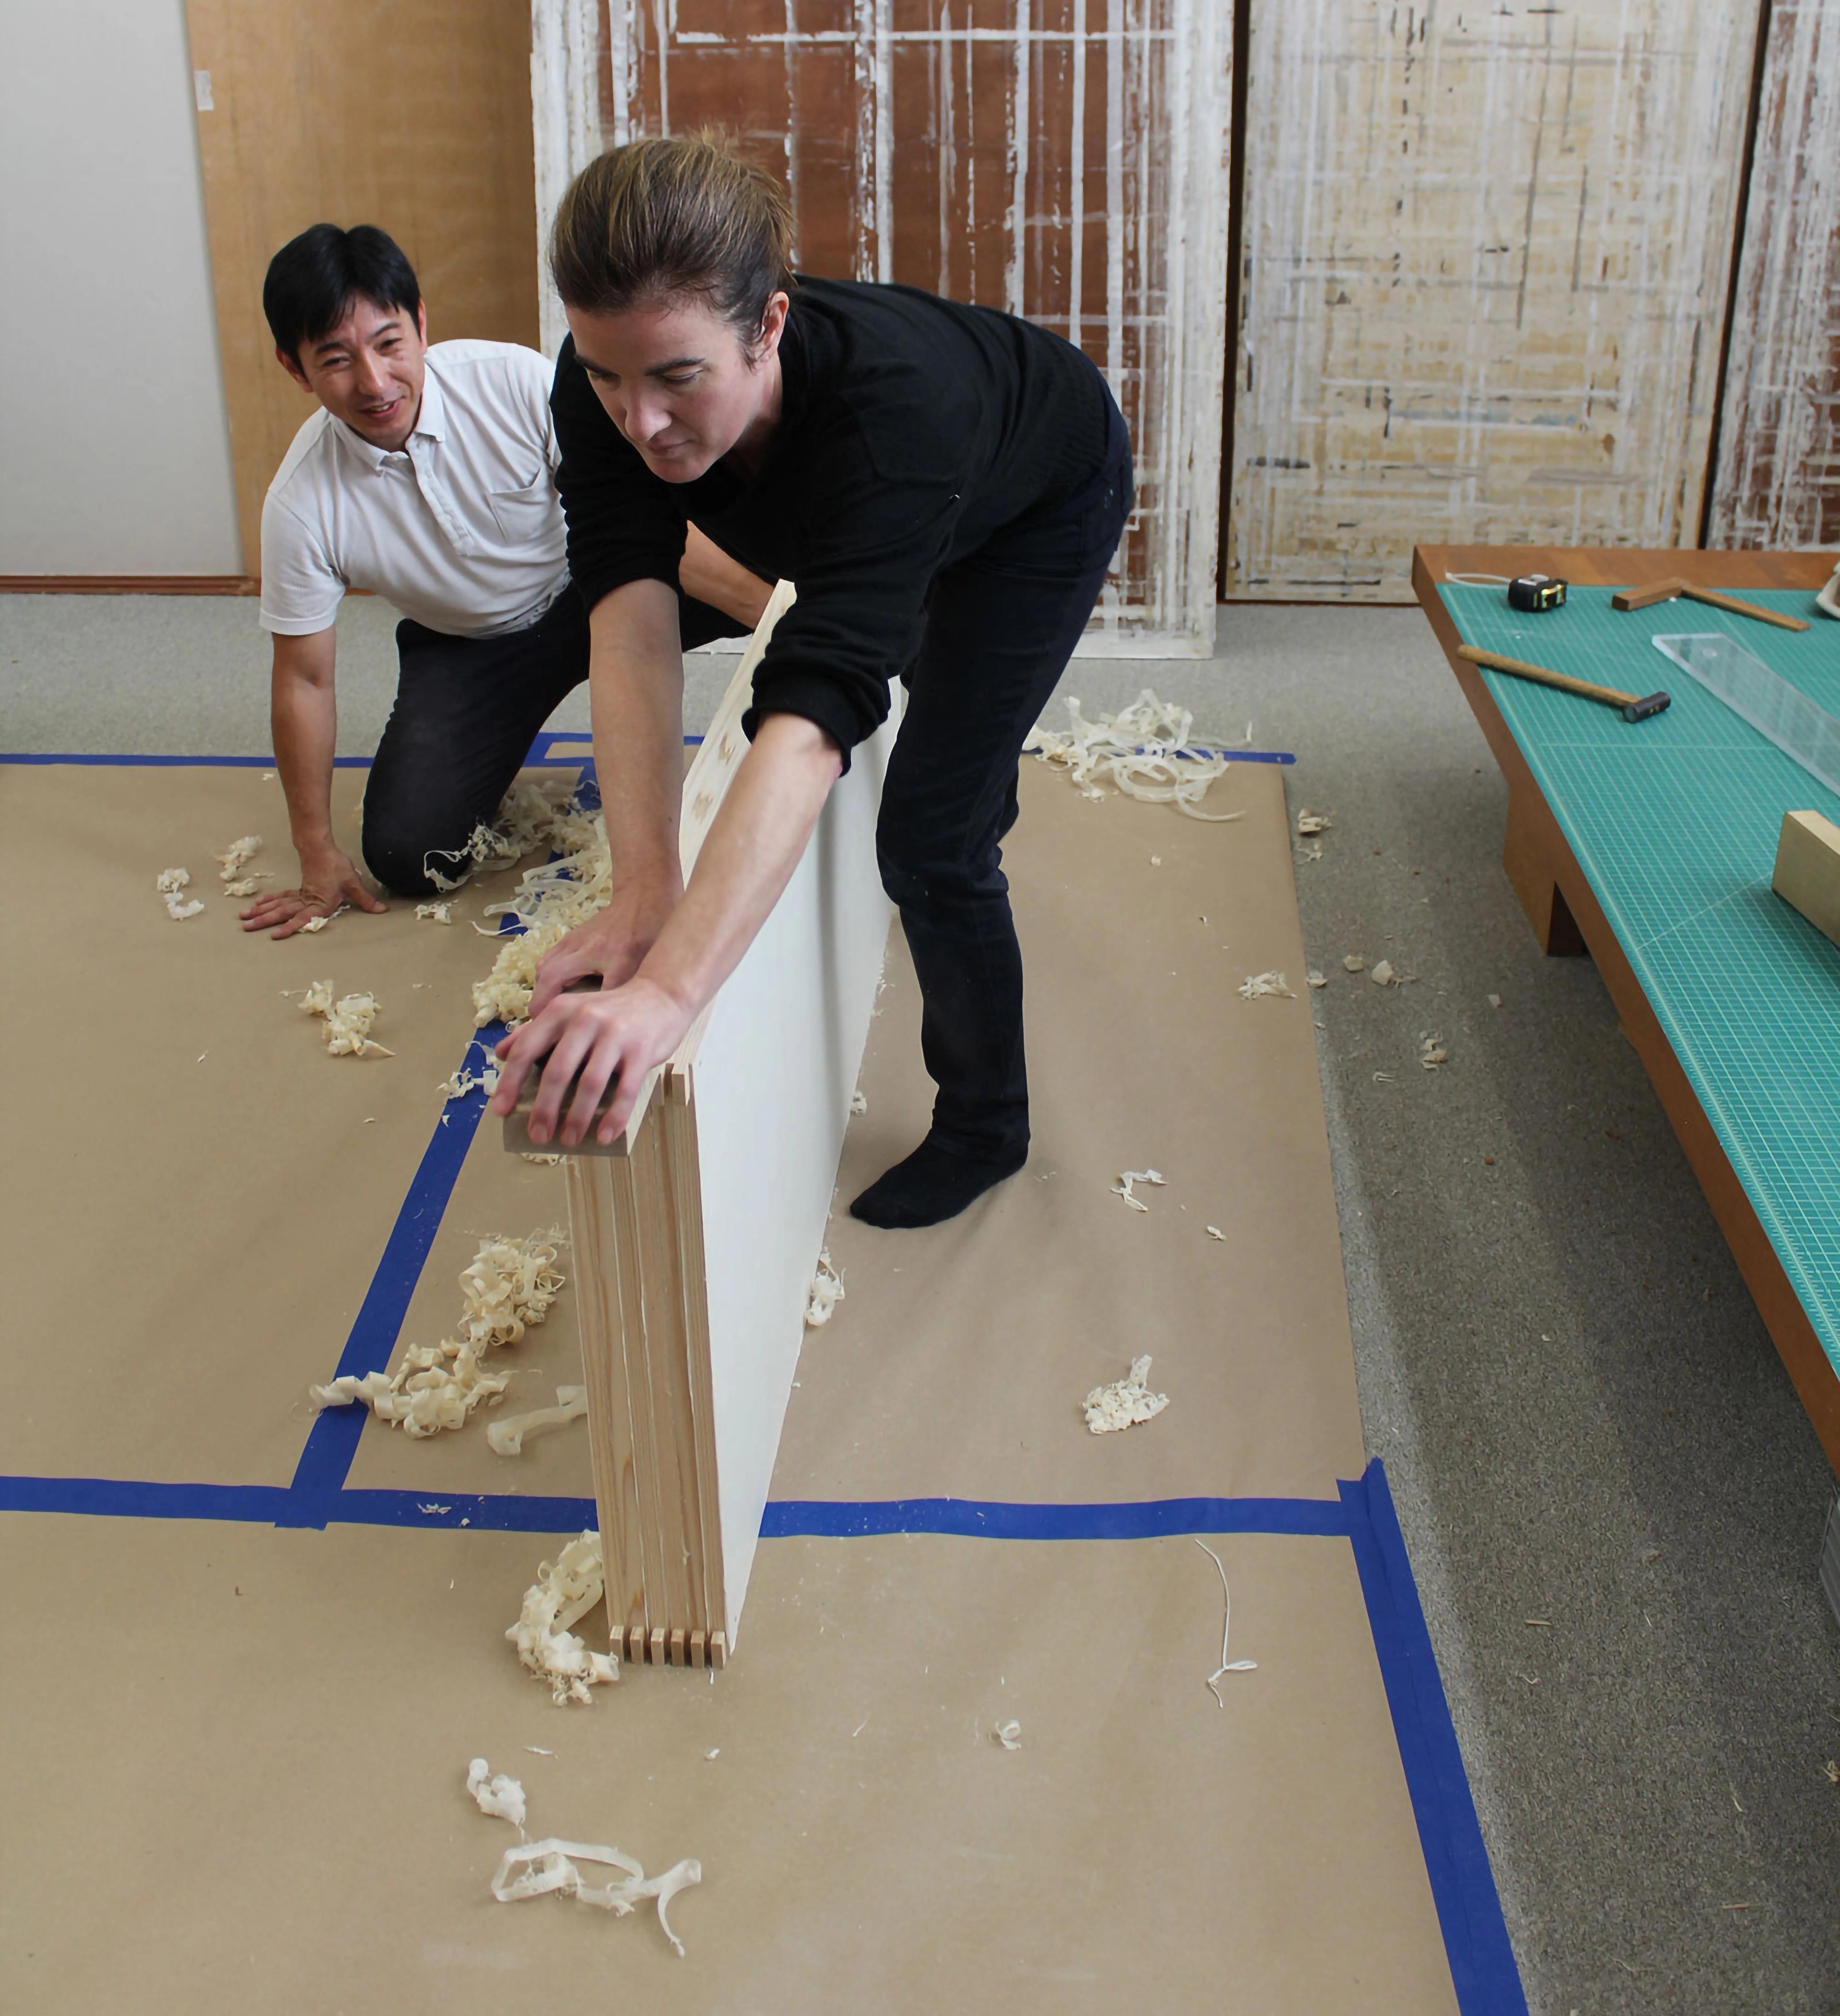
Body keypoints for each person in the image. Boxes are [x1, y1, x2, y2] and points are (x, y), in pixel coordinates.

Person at [488, 135, 1133, 1231]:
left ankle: (988, 1124)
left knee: (930, 836)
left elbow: (814, 715)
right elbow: (633, 625)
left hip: (1036, 502)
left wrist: (669, 995)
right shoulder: (602, 385)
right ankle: (976, 778)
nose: (637, 422)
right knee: (941, 717)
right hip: (892, 497)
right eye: (607, 374)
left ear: (769, 327)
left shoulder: (894, 420)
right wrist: (647, 885)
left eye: (678, 377)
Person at [243, 221, 767, 936]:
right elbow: (304, 681)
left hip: (598, 578)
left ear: (422, 325)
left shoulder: (514, 382)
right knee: (409, 853)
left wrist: (779, 614)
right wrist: (315, 853)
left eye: (390, 344)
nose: (374, 382)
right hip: (472, 648)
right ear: (295, 368)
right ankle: (487, 757)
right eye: (335, 359)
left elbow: (643, 530)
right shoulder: (300, 504)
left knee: (779, 566)